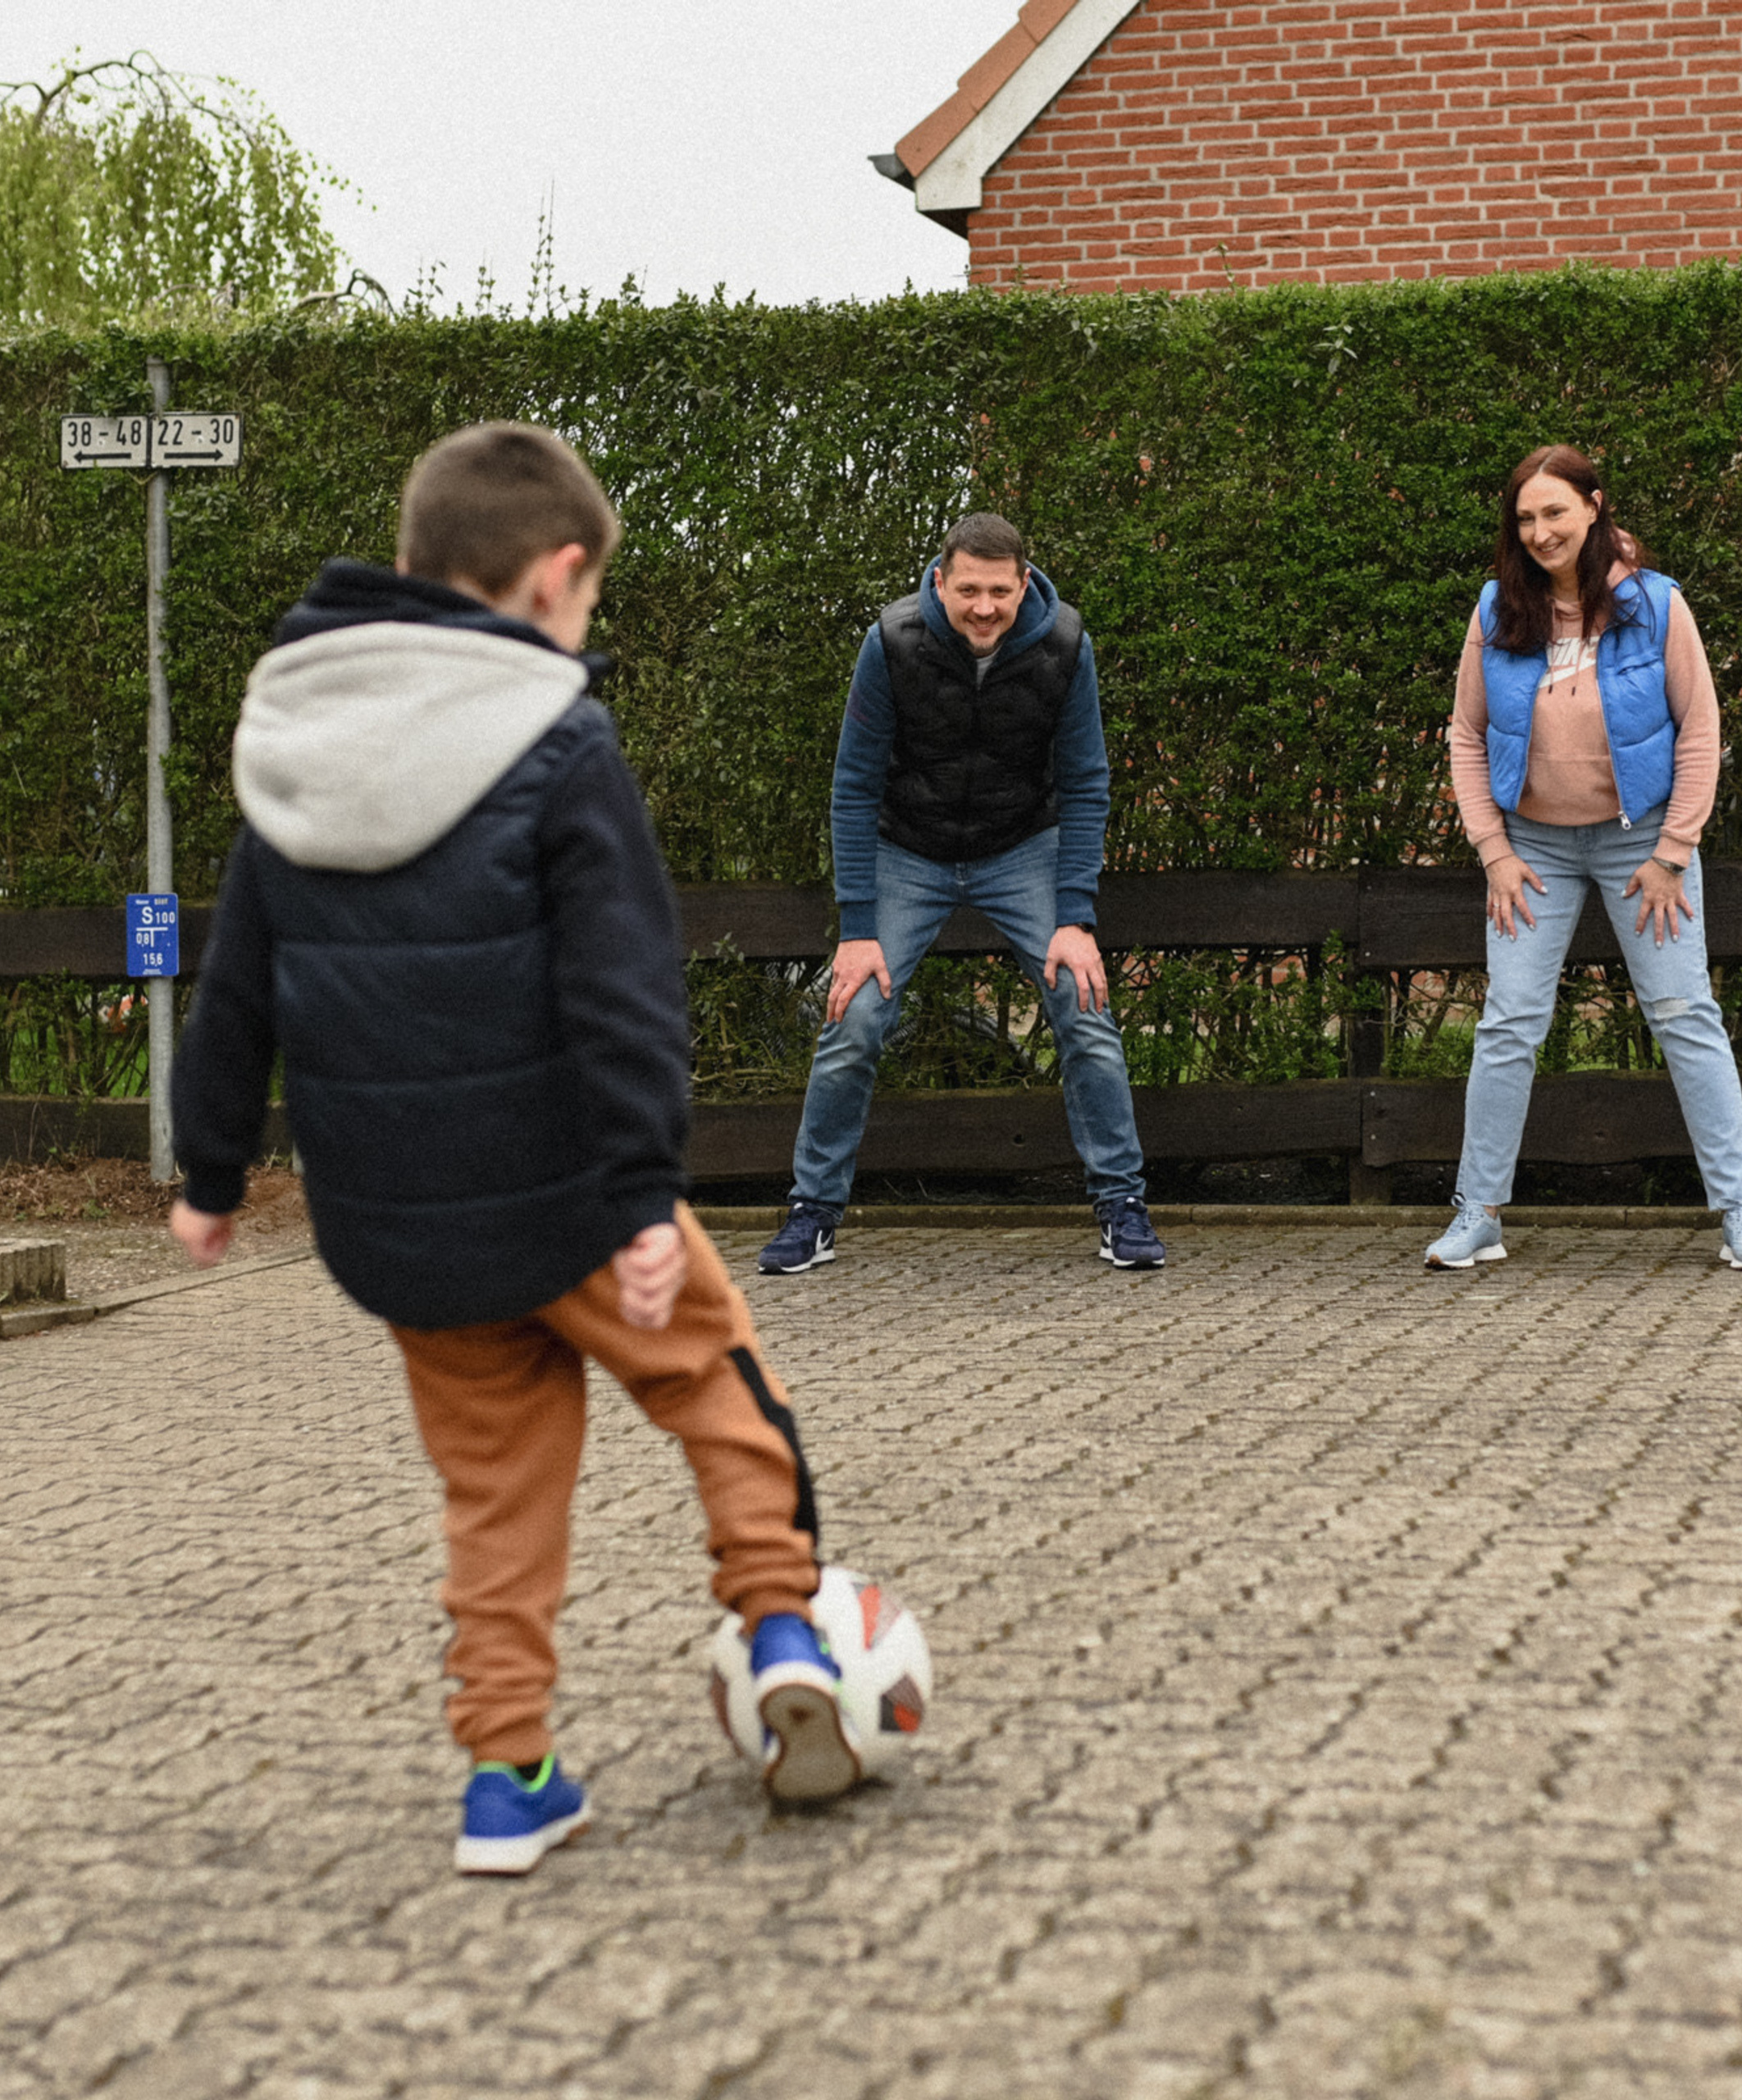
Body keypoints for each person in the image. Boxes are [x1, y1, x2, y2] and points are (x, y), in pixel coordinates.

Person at [169, 422, 861, 1877]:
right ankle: (785, 1630)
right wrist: (643, 1204)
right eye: (592, 601)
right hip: (579, 1205)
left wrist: (211, 1179)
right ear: (556, 579)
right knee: (726, 1402)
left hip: (407, 1231)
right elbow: (621, 985)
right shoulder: (558, 742)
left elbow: (239, 986)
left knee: (495, 1502)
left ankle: (507, 1778)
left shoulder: (293, 741)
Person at [757, 512, 1167, 1276]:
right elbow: (853, 787)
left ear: (1025, 585)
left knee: (1086, 1005)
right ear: (939, 581)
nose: (984, 607)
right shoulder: (891, 643)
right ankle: (812, 1210)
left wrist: (1075, 915)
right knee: (854, 1015)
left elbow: (1085, 783)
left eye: (1000, 592)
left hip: (1022, 850)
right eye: (968, 589)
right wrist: (857, 926)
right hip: (905, 851)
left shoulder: (1066, 646)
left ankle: (1123, 1204)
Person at [1425, 443, 1742, 1274]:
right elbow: (1465, 735)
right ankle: (1476, 1215)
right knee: (1508, 1021)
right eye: (1525, 517)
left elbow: (1700, 731)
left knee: (1685, 1014)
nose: (1540, 530)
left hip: (1643, 844)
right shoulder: (1497, 611)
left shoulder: (1655, 606)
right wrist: (1494, 852)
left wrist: (1671, 851)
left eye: (1555, 511)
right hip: (1533, 847)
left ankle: (1741, 1215)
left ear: (1593, 506)